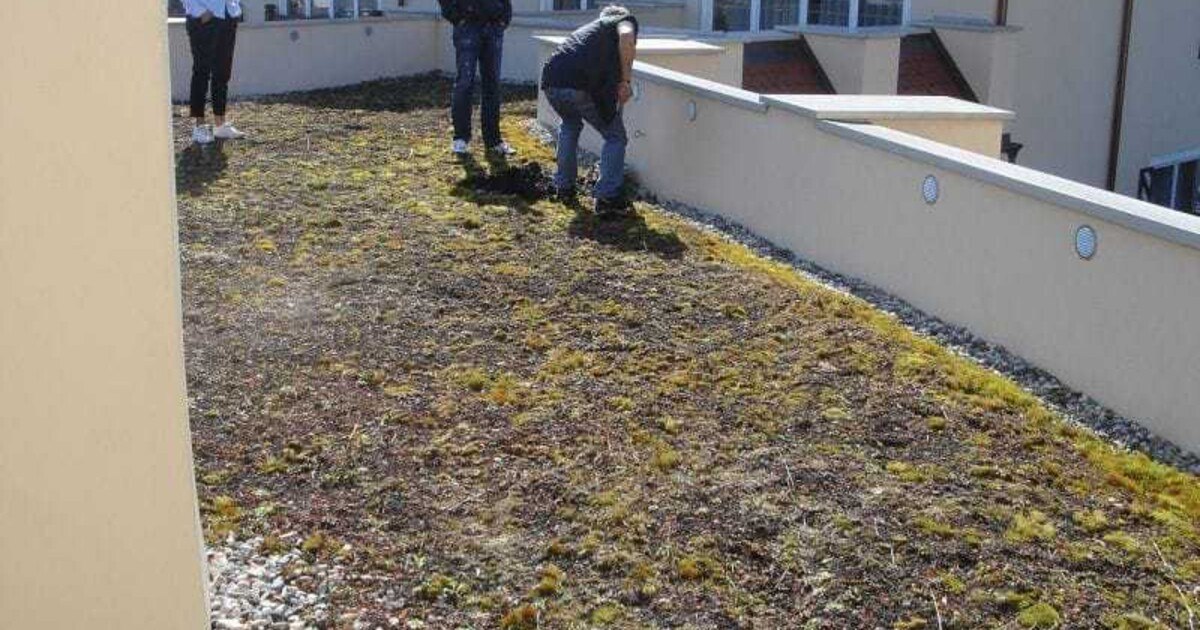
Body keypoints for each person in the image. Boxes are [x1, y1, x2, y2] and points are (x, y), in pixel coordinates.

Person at [540, 6, 638, 216]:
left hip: (551, 80)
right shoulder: (622, 21)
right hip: (578, 83)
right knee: (615, 136)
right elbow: (627, 36)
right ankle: (607, 197)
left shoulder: (590, 31)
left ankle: (563, 186)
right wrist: (625, 81)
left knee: (570, 124)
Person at [438, 0, 515, 156]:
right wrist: (456, 17)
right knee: (465, 83)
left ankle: (493, 140)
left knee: (492, 84)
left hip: (493, 26)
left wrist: (503, 18)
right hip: (467, 26)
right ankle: (460, 138)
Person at [183, 0, 247, 145]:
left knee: (223, 72)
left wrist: (234, 8)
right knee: (201, 71)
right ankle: (199, 127)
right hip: (204, 17)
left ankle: (220, 124)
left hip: (228, 14)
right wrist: (200, 11)